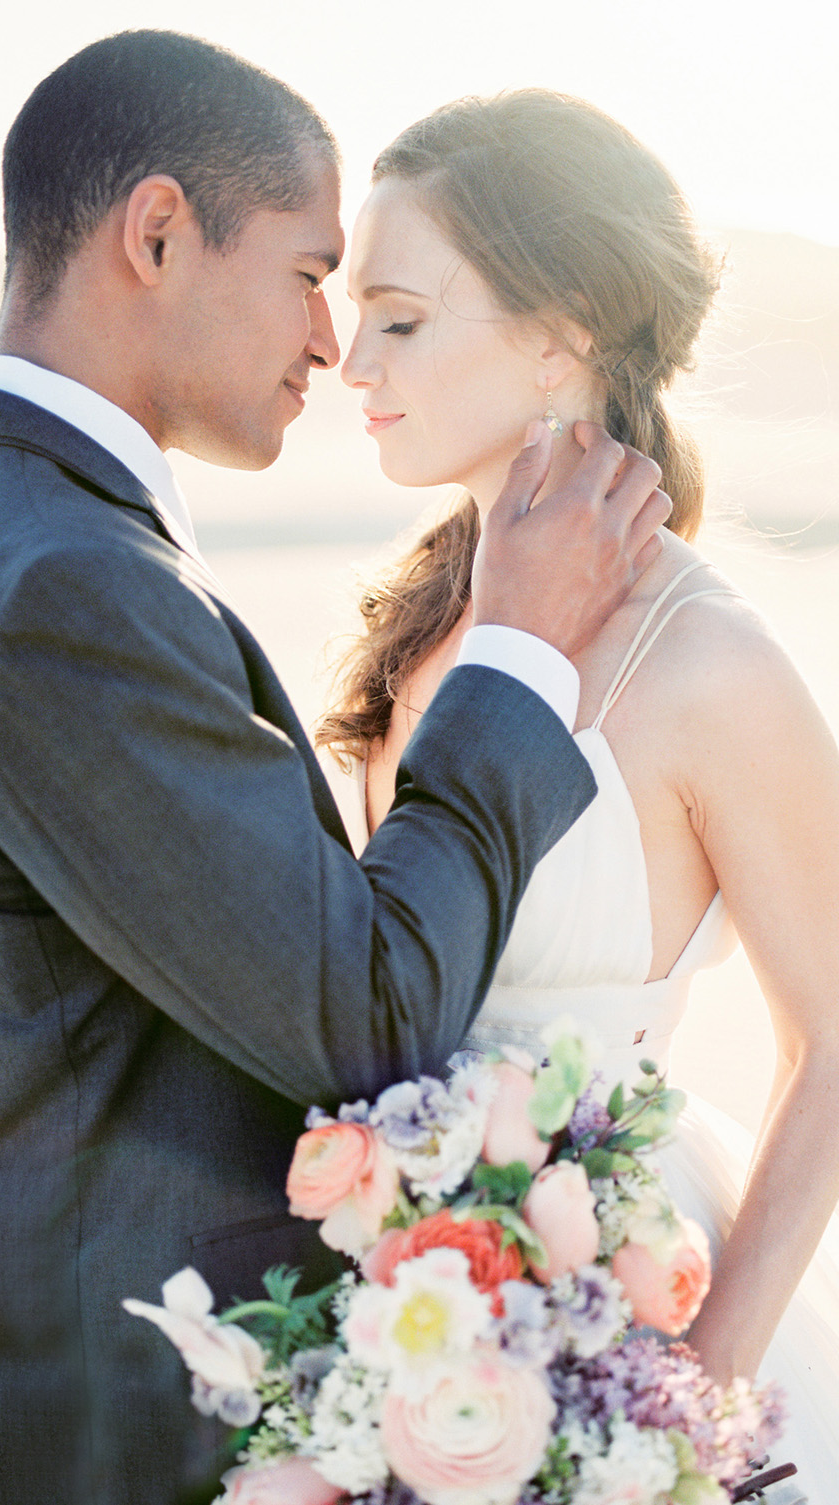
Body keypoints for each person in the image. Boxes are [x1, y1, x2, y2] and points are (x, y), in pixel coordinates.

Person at [0, 31, 671, 1505]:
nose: (323, 347)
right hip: (120, 1439)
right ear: (157, 233)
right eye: (305, 275)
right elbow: (367, 1012)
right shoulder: (52, 585)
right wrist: (522, 647)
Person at [326, 88, 839, 1491]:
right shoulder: (430, 627)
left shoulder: (713, 660)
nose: (346, 356)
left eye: (402, 318)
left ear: (560, 337)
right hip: (395, 1305)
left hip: (626, 1311)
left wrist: (691, 1386)